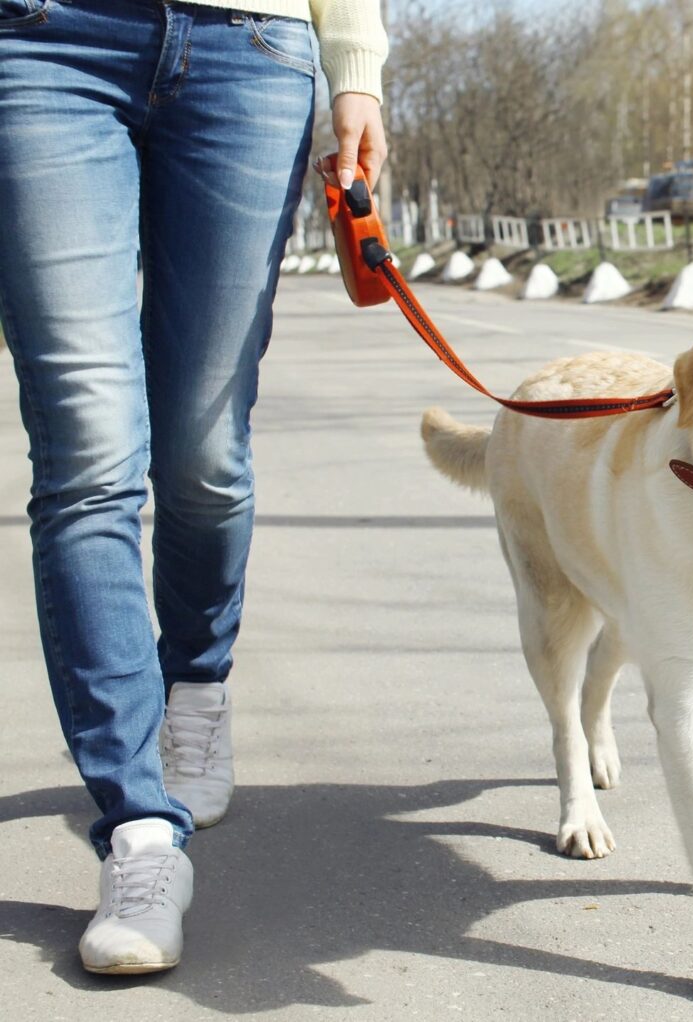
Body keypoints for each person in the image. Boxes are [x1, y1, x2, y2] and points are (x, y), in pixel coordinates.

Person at [0, 0, 387, 974]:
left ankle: (196, 686)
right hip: (39, 39)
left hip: (247, 45)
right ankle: (139, 829)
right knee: (89, 448)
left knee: (204, 450)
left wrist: (355, 68)